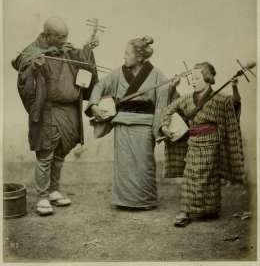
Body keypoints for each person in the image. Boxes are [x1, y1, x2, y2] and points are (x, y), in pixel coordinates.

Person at [12, 16, 99, 216]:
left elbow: (80, 59)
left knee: (60, 153)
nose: (63, 40)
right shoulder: (33, 51)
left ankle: (53, 191)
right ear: (46, 35)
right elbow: (22, 62)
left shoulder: (65, 48)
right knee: (45, 154)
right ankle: (42, 196)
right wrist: (35, 64)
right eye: (59, 37)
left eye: (65, 36)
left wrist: (87, 48)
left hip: (69, 110)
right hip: (48, 111)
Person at [86, 36, 169, 210]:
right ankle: (123, 200)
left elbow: (162, 102)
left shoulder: (157, 74)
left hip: (144, 125)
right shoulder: (117, 73)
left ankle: (145, 200)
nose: (124, 56)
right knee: (123, 164)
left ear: (139, 57)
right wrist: (93, 105)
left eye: (127, 53)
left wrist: (159, 127)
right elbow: (100, 86)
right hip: (123, 124)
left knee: (144, 164)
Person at [161, 62, 245, 227]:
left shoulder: (220, 99)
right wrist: (165, 126)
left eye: (197, 78)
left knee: (207, 178)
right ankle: (186, 211)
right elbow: (168, 109)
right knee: (190, 176)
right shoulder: (186, 99)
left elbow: (234, 104)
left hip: (212, 144)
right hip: (193, 143)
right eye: (192, 78)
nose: (193, 81)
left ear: (207, 79)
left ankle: (209, 209)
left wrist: (234, 87)